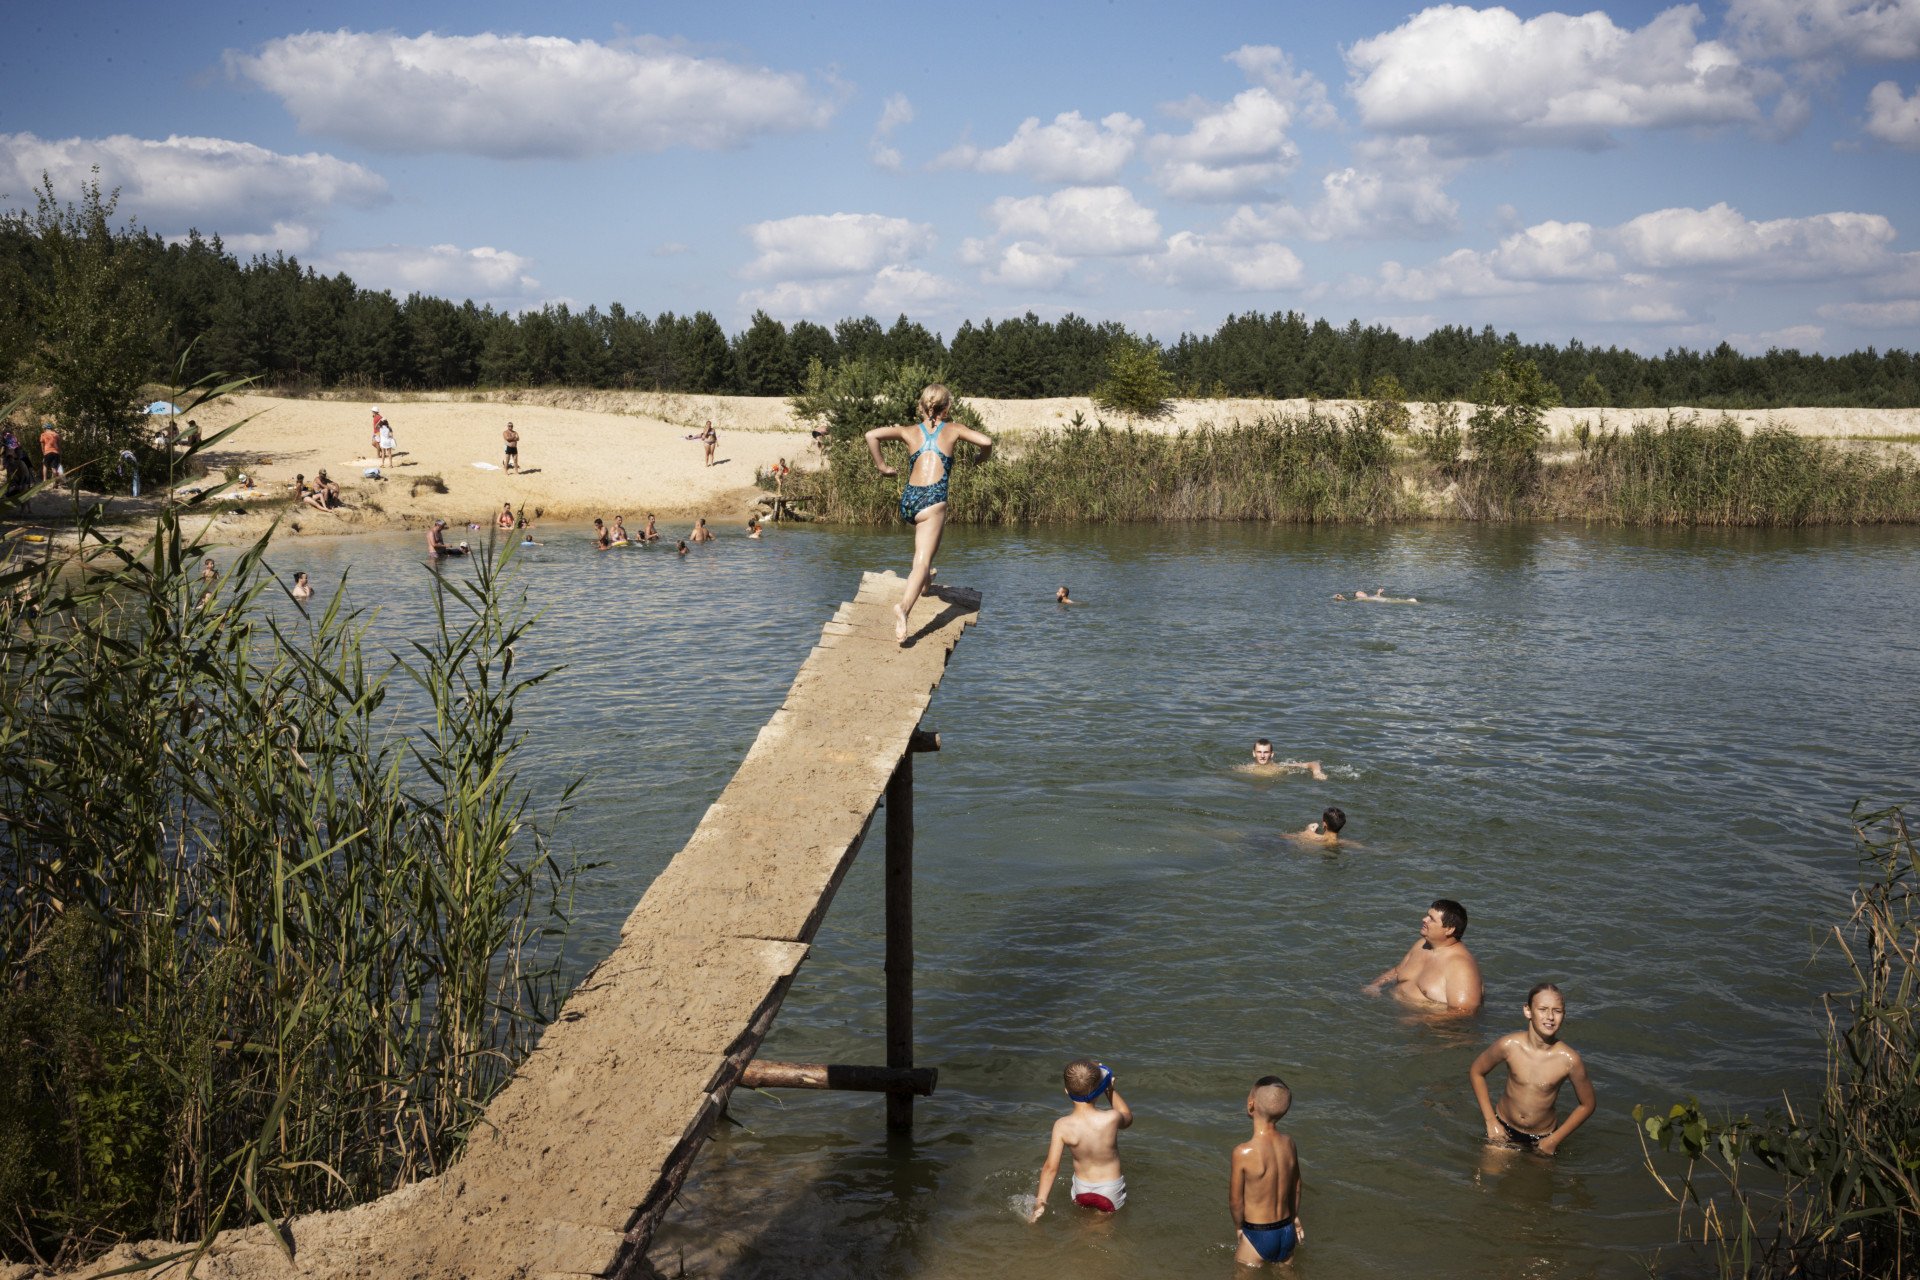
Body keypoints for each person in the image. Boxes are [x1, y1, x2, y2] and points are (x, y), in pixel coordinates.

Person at [864, 384, 994, 643]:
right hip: (933, 500)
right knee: (922, 561)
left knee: (925, 554)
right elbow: (987, 442)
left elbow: (871, 435)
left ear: (921, 407)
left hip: (909, 500)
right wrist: (981, 458)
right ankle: (904, 608)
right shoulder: (953, 429)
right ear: (947, 408)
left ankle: (925, 585)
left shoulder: (908, 431)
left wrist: (883, 467)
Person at [1469, 983, 1596, 1155]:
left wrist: (1553, 1140)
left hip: (1543, 1137)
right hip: (1503, 1128)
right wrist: (1491, 1121)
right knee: (1489, 1169)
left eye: (1557, 1011)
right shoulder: (1509, 1045)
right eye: (1543, 1009)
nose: (1550, 1017)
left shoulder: (1569, 1060)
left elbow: (1588, 1104)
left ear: (1564, 1015)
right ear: (1528, 1011)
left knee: (1534, 1173)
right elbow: (1476, 1072)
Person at [1029, 1059, 1133, 1221]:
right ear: (1099, 1090)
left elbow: (1050, 1167)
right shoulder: (1111, 1118)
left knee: (1082, 1224)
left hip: (1081, 1189)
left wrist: (1040, 1202)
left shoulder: (1062, 1125)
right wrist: (1109, 1089)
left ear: (1066, 1091)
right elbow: (1127, 1118)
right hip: (1109, 1190)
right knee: (1102, 1227)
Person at [1229, 1076, 1304, 1267]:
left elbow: (1236, 1201)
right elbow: (1296, 1186)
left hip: (1258, 1233)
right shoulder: (1289, 1143)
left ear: (1251, 1104)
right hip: (1286, 1230)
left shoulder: (1243, 1152)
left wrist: (1239, 1228)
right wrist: (1294, 1218)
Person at [1365, 899, 1484, 1014]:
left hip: (1429, 1026)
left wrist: (1419, 1020)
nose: (1424, 919)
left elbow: (1464, 1011)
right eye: (1427, 915)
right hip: (1396, 1014)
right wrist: (1375, 985)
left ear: (1449, 929)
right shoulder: (1422, 944)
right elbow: (1397, 971)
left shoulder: (1461, 966)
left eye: (1431, 919)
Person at [1243, 739, 1328, 781]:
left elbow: (1313, 763)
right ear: (1254, 753)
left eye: (1265, 752)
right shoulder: (1245, 769)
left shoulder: (1280, 767)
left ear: (1271, 754)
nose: (1262, 756)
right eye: (1259, 752)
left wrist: (1317, 772)